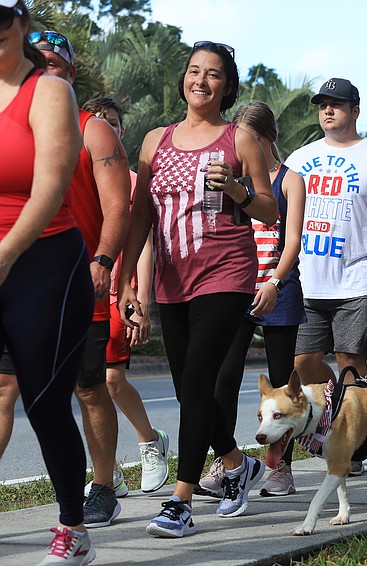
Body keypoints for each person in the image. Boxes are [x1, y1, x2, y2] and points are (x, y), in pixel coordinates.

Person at [117, 41, 278, 538]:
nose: (201, 81)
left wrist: (237, 190)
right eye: (193, 71)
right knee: (191, 390)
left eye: (213, 74)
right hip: (172, 280)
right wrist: (127, 281)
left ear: (227, 86)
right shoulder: (155, 141)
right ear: (183, 79)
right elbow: (140, 216)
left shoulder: (240, 139)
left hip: (226, 273)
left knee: (195, 384)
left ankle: (180, 502)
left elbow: (270, 210)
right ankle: (236, 463)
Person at [27, 30, 135, 530]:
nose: (43, 68)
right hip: (22, 282)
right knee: (7, 388)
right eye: (35, 60)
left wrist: (104, 261)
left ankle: (104, 488)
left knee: (89, 388)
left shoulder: (94, 130)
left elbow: (118, 207)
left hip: (79, 279)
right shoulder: (12, 126)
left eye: (54, 62)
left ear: (70, 72)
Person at [0, 2, 94, 562]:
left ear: (21, 23)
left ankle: (73, 529)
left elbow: (51, 187)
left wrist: (5, 256)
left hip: (43, 265)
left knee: (44, 404)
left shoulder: (49, 91)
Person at [285, 77, 367, 476]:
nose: (328, 111)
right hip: (308, 280)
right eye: (323, 105)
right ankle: (339, 408)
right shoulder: (300, 159)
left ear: (355, 111)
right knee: (303, 362)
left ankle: (355, 444)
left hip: (358, 278)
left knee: (351, 362)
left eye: (336, 104)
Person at [196, 101, 307, 498]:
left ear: (269, 138)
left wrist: (275, 282)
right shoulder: (234, 180)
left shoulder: (290, 180)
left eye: (254, 139)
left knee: (282, 383)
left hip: (278, 287)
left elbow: (292, 240)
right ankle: (226, 461)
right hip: (238, 287)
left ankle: (281, 467)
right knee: (223, 378)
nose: (247, 146)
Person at [80, 95, 168, 496]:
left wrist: (140, 297)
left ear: (122, 129)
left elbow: (144, 242)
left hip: (118, 290)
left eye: (113, 122)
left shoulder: (132, 181)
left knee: (112, 380)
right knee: (86, 385)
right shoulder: (73, 172)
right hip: (83, 291)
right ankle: (108, 471)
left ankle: (150, 441)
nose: (106, 128)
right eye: (98, 121)